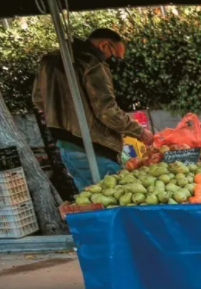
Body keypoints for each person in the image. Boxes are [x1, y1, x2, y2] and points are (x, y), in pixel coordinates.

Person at [33, 28, 152, 191]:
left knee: (90, 201)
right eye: (115, 57)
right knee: (113, 200)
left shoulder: (49, 61)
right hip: (93, 147)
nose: (113, 61)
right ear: (104, 45)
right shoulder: (91, 63)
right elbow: (107, 110)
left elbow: (38, 99)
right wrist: (139, 131)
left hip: (66, 147)